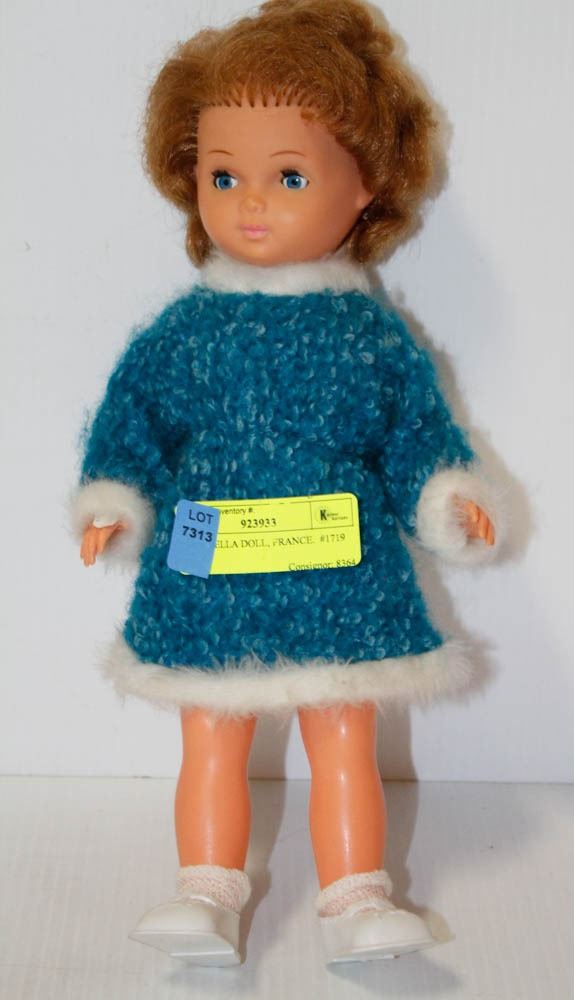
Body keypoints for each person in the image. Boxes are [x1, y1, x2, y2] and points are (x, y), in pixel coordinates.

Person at [71, 0, 503, 967]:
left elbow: (414, 433)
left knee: (343, 734)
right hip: (206, 565)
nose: (251, 203)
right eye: (224, 176)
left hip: (340, 569)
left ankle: (358, 898)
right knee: (211, 734)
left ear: (367, 188)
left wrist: (447, 494)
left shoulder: (367, 334)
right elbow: (133, 421)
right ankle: (205, 893)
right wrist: (113, 498)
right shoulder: (185, 332)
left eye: (291, 176)